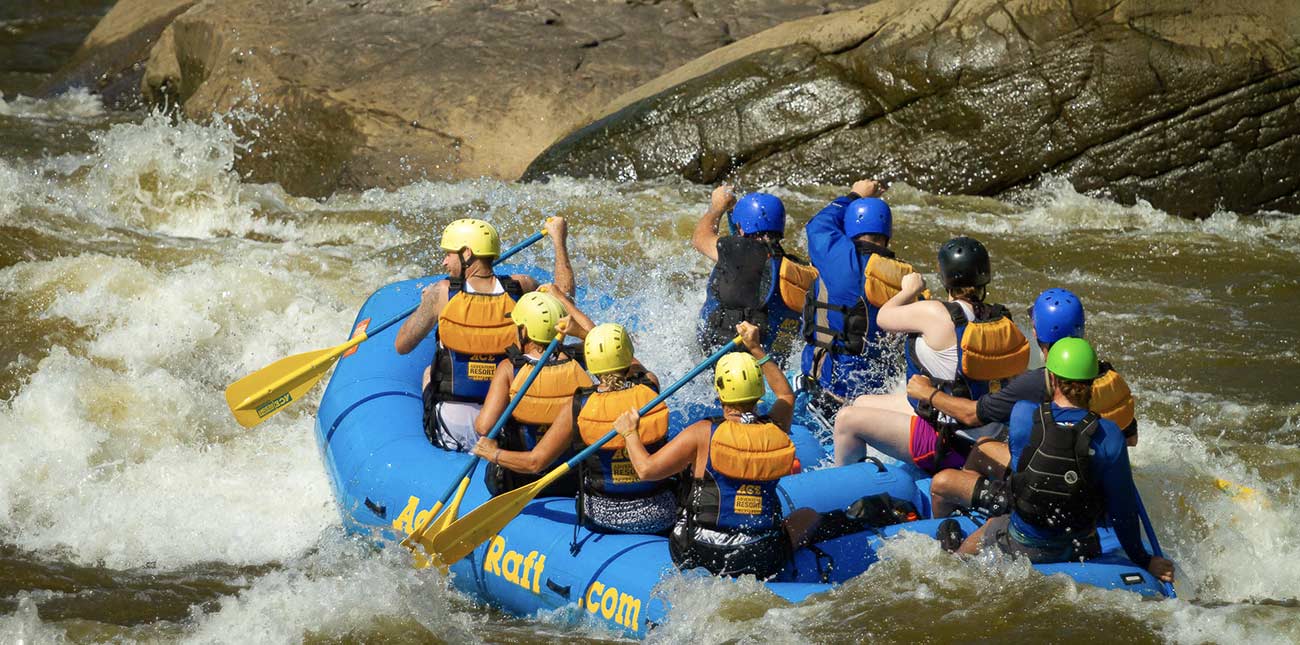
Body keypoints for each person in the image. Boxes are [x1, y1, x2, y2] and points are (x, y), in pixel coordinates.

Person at [955, 338, 1175, 586]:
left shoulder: (1023, 414)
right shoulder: (1109, 434)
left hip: (1023, 544)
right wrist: (1144, 560)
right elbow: (1123, 510)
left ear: (1051, 379)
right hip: (1079, 547)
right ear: (1093, 383)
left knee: (984, 532)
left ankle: (956, 564)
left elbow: (1022, 471)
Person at [919, 288, 1140, 516]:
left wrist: (928, 393)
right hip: (1095, 483)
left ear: (1036, 332)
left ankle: (965, 513)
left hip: (1049, 490)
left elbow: (970, 414)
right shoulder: (1107, 375)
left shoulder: (1038, 382)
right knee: (983, 446)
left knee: (946, 479)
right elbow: (1131, 439)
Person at [613, 322, 797, 578]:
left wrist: (629, 433)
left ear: (719, 391)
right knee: (807, 516)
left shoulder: (702, 434)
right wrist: (755, 348)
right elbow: (786, 395)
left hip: (700, 552)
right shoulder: (776, 426)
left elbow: (646, 470)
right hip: (759, 553)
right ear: (759, 390)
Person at [833, 236, 1028, 471]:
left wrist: (909, 290)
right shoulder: (1000, 318)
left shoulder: (935, 312)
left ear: (945, 277)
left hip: (945, 443)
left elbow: (883, 317)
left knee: (845, 419)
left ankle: (843, 492)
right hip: (987, 431)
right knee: (863, 402)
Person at [395, 217, 573, 452]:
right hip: (506, 422)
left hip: (454, 425)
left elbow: (402, 345)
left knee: (429, 371)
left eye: (449, 254)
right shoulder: (521, 287)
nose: (444, 262)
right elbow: (566, 301)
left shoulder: (442, 292)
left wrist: (426, 304)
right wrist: (559, 240)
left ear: (467, 253)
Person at [800, 179, 918, 421]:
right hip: (879, 394)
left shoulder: (841, 259)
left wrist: (854, 195)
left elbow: (817, 225)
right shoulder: (906, 277)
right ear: (887, 235)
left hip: (831, 389)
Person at [471, 290, 595, 497]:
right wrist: (564, 302)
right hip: (570, 478)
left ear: (524, 331)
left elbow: (484, 426)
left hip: (518, 479)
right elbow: (600, 340)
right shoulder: (581, 360)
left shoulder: (509, 369)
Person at [568, 323, 678, 535]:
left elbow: (538, 461)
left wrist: (493, 452)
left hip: (600, 517)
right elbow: (632, 364)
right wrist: (584, 332)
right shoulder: (650, 386)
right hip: (660, 514)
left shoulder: (580, 404)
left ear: (590, 362)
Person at [694, 185, 818, 364]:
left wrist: (717, 207)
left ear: (741, 228)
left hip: (721, 356)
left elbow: (700, 239)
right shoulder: (793, 266)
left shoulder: (734, 253)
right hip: (765, 360)